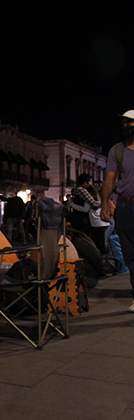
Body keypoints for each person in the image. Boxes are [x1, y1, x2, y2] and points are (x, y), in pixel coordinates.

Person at [102, 109, 134, 312]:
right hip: (125, 206)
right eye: (123, 123)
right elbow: (109, 179)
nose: (125, 127)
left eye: (129, 122)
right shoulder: (117, 151)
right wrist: (104, 203)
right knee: (130, 253)